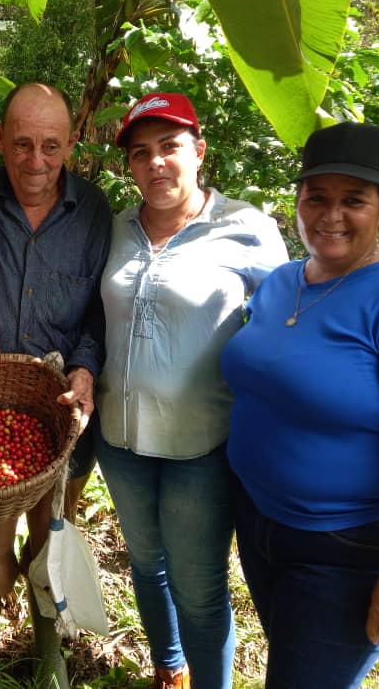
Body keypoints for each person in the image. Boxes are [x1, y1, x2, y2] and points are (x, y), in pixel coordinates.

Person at [221, 122, 379, 688]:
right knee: (288, 655)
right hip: (259, 521)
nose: (331, 215)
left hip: (344, 549)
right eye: (317, 197)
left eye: (354, 201)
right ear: (298, 199)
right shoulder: (282, 283)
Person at [95, 92, 288, 689]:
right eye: (140, 152)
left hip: (200, 446)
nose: (155, 162)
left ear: (199, 151)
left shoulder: (245, 228)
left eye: (170, 147)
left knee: (199, 588)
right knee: (146, 565)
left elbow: (287, 325)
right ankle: (169, 667)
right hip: (119, 439)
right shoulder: (114, 228)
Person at [0, 82, 111, 687]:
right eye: (22, 144)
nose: (36, 161)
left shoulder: (93, 211)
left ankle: (48, 657)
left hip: (63, 415)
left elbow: (100, 310)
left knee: (51, 541)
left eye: (51, 146)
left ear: (72, 144)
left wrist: (85, 366)